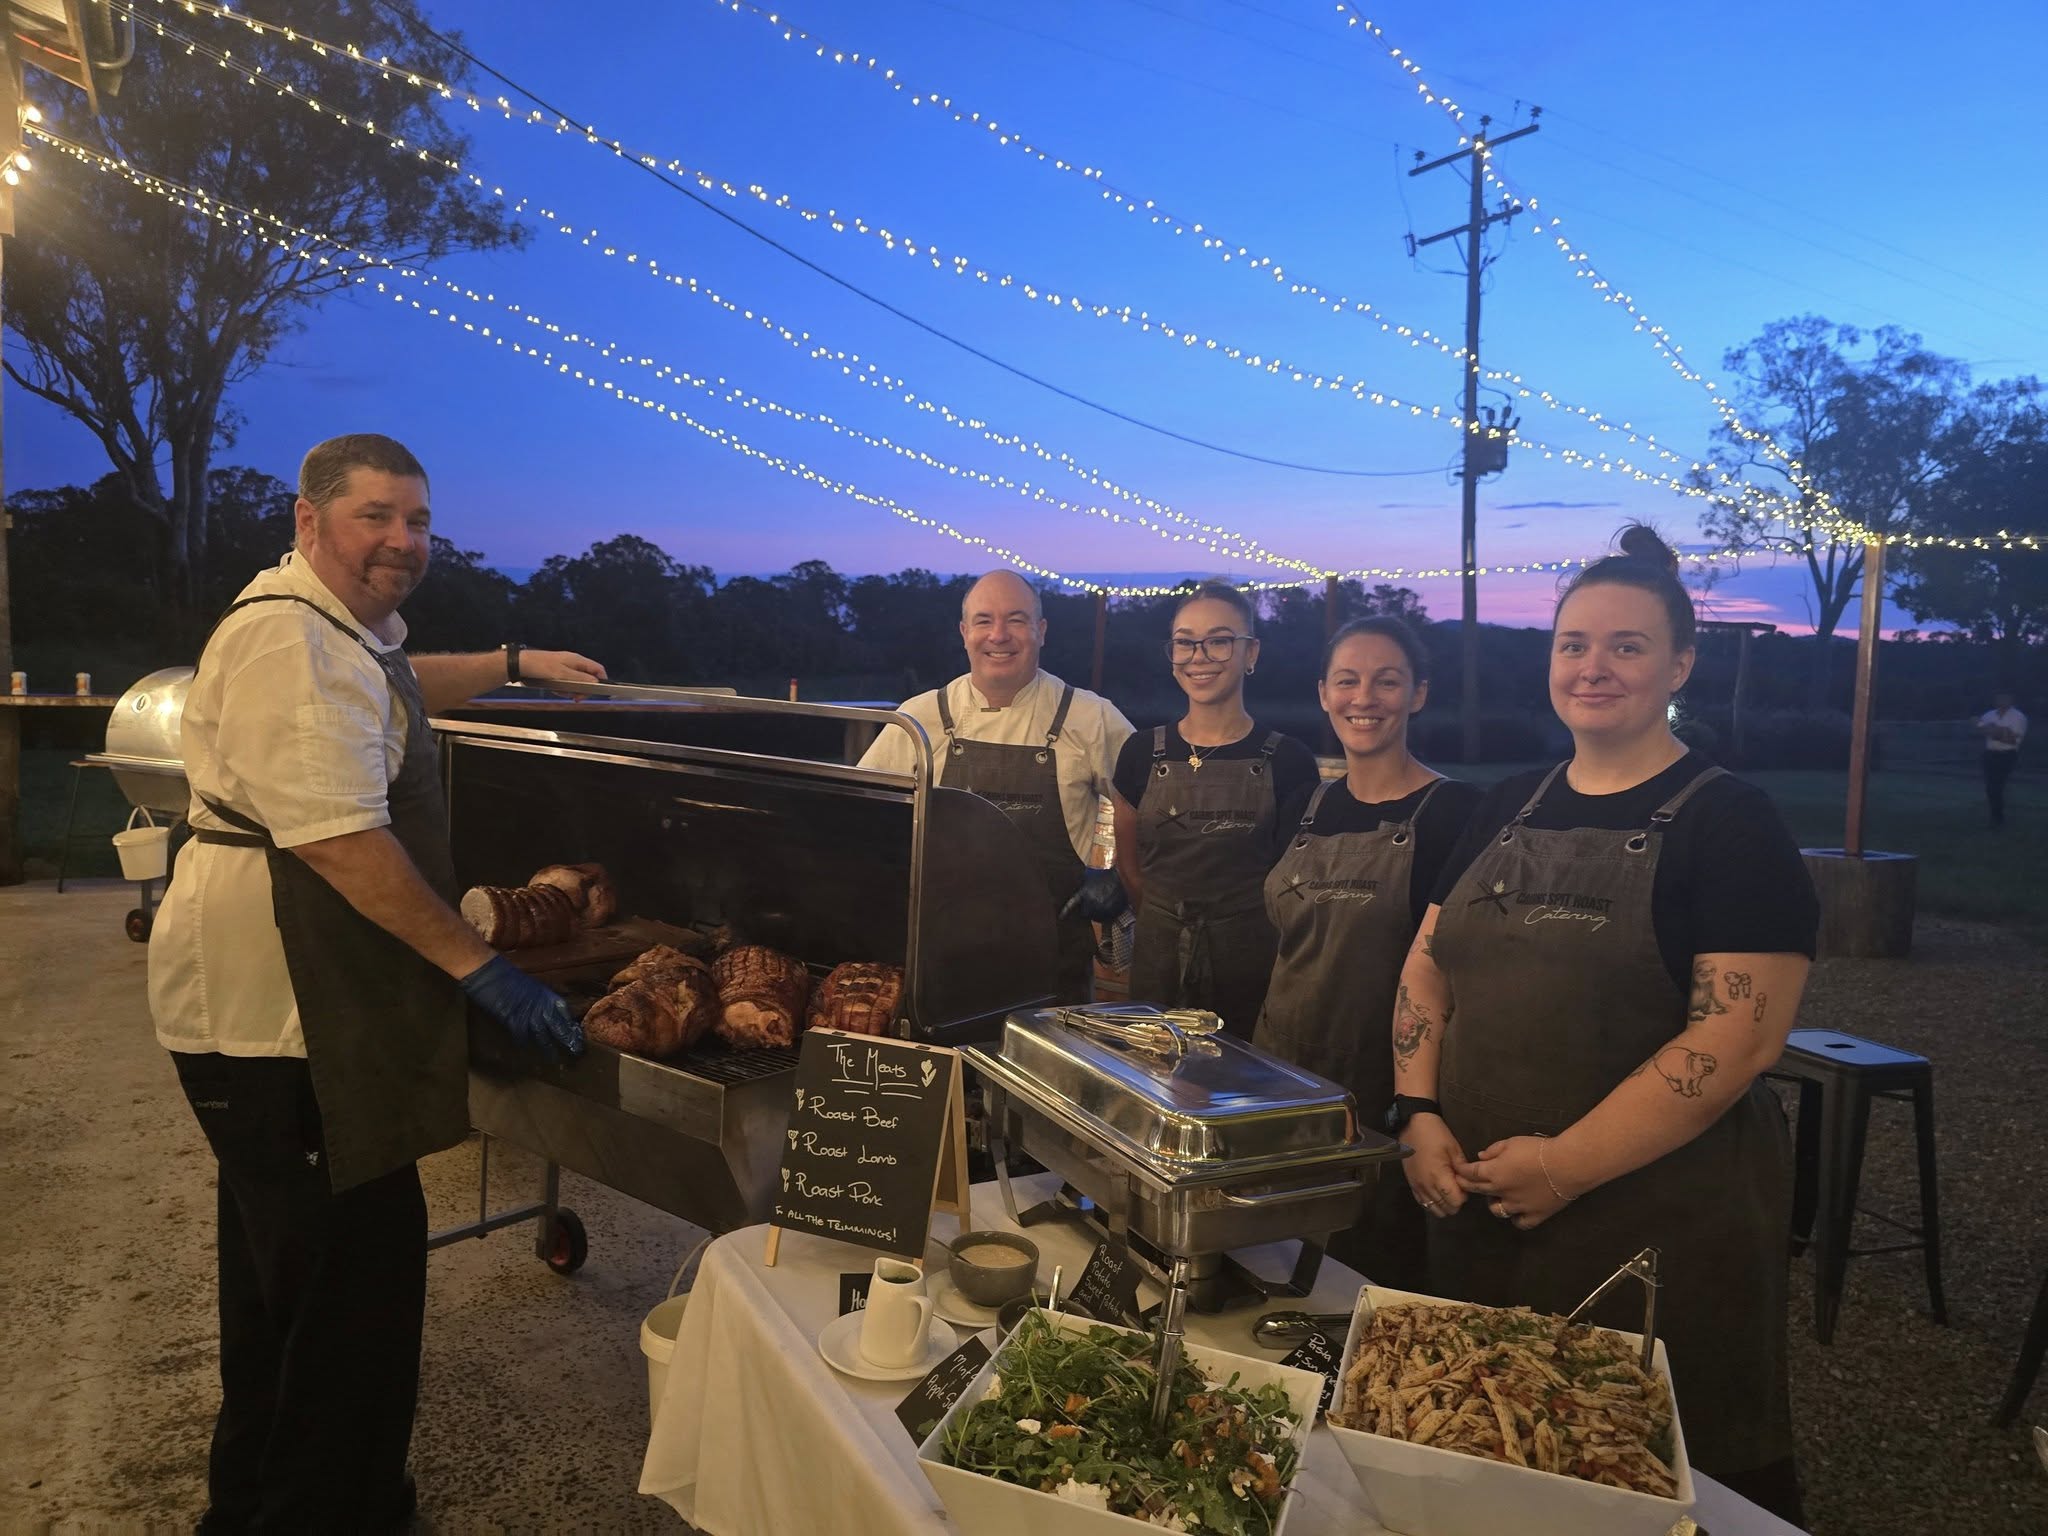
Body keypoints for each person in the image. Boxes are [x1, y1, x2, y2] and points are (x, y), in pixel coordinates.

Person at [148, 433, 607, 1534]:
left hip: (272, 1020)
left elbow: (395, 679)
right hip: (277, 1020)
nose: (401, 540)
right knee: (349, 1302)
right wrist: (482, 968)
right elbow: (343, 838)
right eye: (374, 518)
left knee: (283, 1291)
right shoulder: (290, 645)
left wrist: (510, 661)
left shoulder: (325, 630)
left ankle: (255, 1508)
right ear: (309, 521)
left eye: (417, 520)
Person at [1390, 525, 1817, 1521]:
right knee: (1488, 1450)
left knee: (1652, 1479)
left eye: (1625, 646)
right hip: (1482, 1210)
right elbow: (1425, 963)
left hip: (1653, 1229)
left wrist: (1565, 1165)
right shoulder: (1502, 804)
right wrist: (1415, 1109)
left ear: (1677, 663)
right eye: (1572, 644)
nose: (1592, 667)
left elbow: (1735, 1037)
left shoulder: (1729, 822)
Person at [1250, 618, 1480, 1286]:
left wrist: (1420, 1110)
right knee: (1274, 1274)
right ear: (1323, 693)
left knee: (1366, 1286)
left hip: (1384, 1096)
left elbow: (1455, 977)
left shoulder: (1455, 811)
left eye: (1388, 681)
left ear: (1418, 694)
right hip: (1283, 1086)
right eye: (1347, 680)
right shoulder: (1304, 805)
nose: (1365, 697)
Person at [858, 569, 1133, 1000]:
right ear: (964, 633)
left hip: (1053, 976)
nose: (999, 635)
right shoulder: (919, 719)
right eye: (984, 621)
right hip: (938, 967)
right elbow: (861, 816)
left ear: (1041, 631)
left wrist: (1115, 872)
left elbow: (1151, 807)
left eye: (1017, 619)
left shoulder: (1090, 717)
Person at [1110, 582, 1318, 1038]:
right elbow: (1129, 865)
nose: (1199, 655)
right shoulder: (1140, 753)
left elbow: (1292, 888)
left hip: (1252, 970)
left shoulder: (1288, 761)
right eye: (1185, 642)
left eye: (1219, 641)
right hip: (1157, 967)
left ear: (1251, 653)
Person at [1975, 688, 2027, 827]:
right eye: (1999, 697)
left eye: (2005, 697)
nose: (2001, 700)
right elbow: (1980, 728)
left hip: (2007, 755)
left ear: (2011, 699)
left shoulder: (2018, 716)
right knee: (1990, 787)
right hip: (1990, 753)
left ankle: (1997, 819)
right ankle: (1996, 816)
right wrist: (1999, 732)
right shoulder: (1989, 715)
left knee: (1996, 786)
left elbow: (2012, 740)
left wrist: (1993, 731)